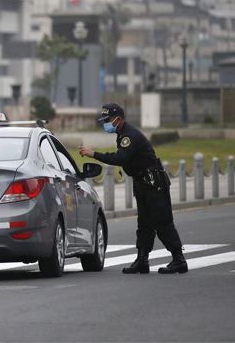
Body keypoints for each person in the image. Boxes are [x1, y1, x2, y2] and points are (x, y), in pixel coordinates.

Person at [79, 103, 188, 274]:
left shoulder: (128, 136)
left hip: (154, 183)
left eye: (108, 120)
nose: (106, 123)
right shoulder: (122, 134)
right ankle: (142, 260)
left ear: (118, 119)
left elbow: (120, 158)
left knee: (162, 221)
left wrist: (94, 154)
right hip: (143, 183)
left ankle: (179, 259)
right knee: (144, 223)